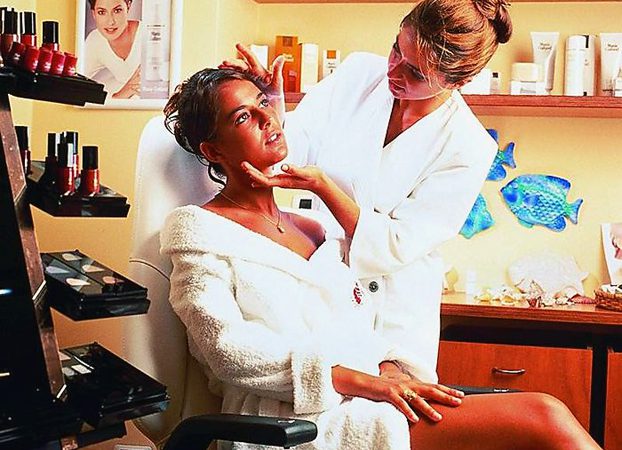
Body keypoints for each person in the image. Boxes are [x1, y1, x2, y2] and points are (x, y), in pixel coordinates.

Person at [160, 67, 602, 450]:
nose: (267, 118)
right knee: (543, 417)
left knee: (536, 420)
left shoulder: (312, 228)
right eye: (243, 117)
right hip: (293, 419)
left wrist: (389, 370)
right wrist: (361, 381)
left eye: (263, 103)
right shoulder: (199, 229)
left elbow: (355, 325)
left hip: (366, 395)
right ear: (213, 151)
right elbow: (227, 351)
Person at [220, 0, 512, 383]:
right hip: (323, 288)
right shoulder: (358, 74)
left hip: (394, 312)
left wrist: (325, 187)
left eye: (414, 72)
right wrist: (270, 108)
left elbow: (394, 245)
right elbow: (289, 152)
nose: (393, 70)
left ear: (457, 82)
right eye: (396, 49)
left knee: (386, 413)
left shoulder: (468, 146)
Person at [84, 0, 141, 99]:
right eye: (102, 12)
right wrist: (122, 94)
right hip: (122, 105)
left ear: (128, 6)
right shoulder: (96, 39)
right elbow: (74, 83)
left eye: (117, 11)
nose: (110, 22)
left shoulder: (149, 36)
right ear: (93, 14)